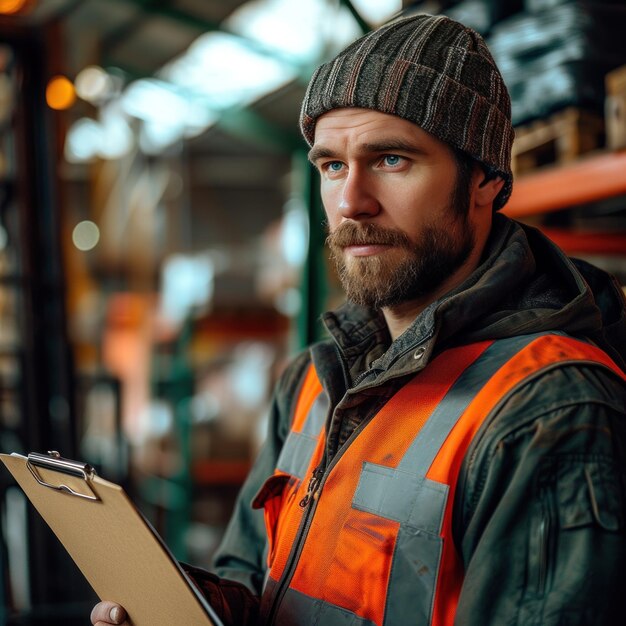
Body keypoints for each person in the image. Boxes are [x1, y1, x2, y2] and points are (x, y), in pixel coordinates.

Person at [91, 12, 626, 626]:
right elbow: (254, 578)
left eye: (392, 159)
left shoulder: (550, 412)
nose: (352, 202)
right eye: (332, 166)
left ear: (483, 180)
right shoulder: (310, 384)